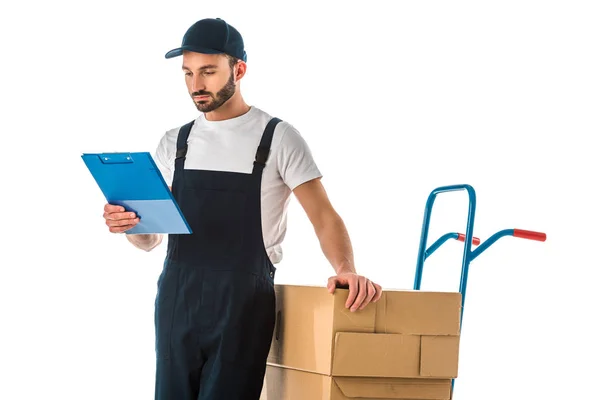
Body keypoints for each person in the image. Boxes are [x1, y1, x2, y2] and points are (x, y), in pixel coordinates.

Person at [102, 17, 382, 400]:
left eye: (208, 72)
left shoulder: (278, 137)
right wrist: (129, 224)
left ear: (239, 69)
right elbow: (151, 239)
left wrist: (346, 269)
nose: (196, 85)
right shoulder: (175, 142)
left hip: (243, 303)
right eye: (187, 74)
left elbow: (323, 215)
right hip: (176, 299)